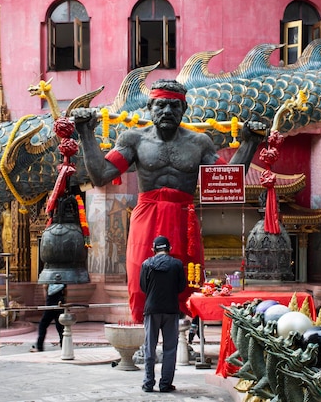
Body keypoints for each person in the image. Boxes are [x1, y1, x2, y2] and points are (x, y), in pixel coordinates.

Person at [73, 79, 266, 323]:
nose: (167, 112)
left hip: (183, 215)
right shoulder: (133, 139)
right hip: (146, 215)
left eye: (175, 106)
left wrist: (251, 142)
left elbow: (226, 179)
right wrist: (85, 133)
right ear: (150, 108)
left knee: (188, 275)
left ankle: (187, 334)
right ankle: (144, 332)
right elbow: (101, 175)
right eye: (161, 105)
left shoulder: (199, 142)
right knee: (139, 275)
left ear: (184, 110)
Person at [139, 235, 186, 393]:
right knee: (170, 348)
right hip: (171, 310)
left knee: (149, 347)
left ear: (153, 249)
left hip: (152, 310)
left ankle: (148, 383)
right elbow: (181, 287)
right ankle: (165, 384)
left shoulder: (146, 264)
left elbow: (143, 287)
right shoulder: (177, 264)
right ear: (169, 249)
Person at [31, 283, 66, 352]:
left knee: (42, 325)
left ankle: (39, 346)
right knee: (60, 327)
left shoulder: (49, 281)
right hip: (60, 305)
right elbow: (65, 293)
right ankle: (64, 346)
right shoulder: (62, 282)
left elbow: (45, 288)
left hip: (50, 306)